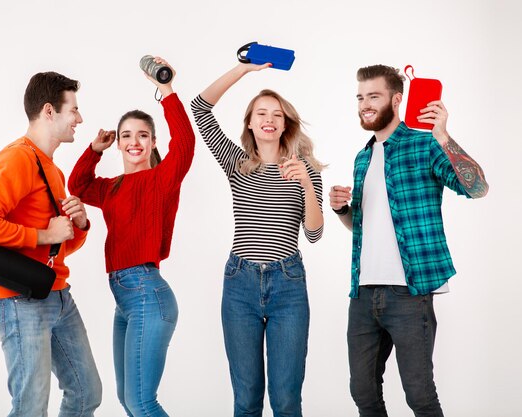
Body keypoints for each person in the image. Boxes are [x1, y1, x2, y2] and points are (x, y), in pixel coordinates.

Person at [329, 64, 489, 417]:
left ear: (397, 99)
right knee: (363, 393)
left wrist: (443, 136)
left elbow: (477, 188)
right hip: (363, 293)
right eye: (360, 97)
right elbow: (362, 227)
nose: (364, 104)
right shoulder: (363, 156)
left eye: (373, 96)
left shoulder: (425, 144)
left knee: (420, 396)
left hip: (409, 294)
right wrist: (342, 210)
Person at [191, 62, 325, 417]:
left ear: (285, 124)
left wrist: (308, 186)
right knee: (247, 400)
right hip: (240, 285)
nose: (269, 119)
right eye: (260, 113)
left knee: (285, 400)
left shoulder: (304, 169)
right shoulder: (237, 162)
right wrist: (243, 70)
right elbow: (199, 108)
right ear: (250, 123)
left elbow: (314, 234)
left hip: (288, 285)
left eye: (277, 114)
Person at [0, 71, 102, 417]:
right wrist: (46, 234)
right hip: (18, 300)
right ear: (48, 111)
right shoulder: (18, 158)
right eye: (73, 110)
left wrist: (81, 226)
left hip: (56, 293)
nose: (80, 118)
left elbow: (58, 248)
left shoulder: (53, 172)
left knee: (87, 393)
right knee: (30, 408)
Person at [68, 57, 194, 417]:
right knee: (128, 401)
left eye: (142, 135)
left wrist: (167, 91)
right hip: (125, 302)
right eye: (126, 135)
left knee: (142, 402)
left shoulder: (162, 180)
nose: (134, 141)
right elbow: (76, 186)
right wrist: (94, 150)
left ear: (153, 141)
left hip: (147, 295)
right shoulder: (111, 188)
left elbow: (184, 145)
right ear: (119, 144)